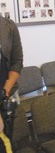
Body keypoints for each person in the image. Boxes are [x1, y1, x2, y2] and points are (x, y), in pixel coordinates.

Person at [0, 15, 23, 152]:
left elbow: (17, 60)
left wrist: (6, 89)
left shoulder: (8, 26)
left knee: (7, 138)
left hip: (6, 94)